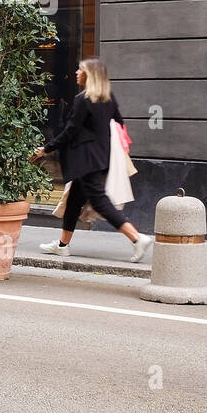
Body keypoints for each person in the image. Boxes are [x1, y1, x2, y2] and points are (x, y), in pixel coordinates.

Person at [32, 57, 153, 262]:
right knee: (73, 201)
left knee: (99, 201)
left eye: (80, 70)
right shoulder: (108, 98)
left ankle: (136, 237)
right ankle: (62, 246)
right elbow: (120, 124)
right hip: (101, 158)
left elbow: (70, 131)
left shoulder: (83, 100)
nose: (77, 73)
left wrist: (46, 149)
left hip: (85, 160)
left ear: (90, 74)